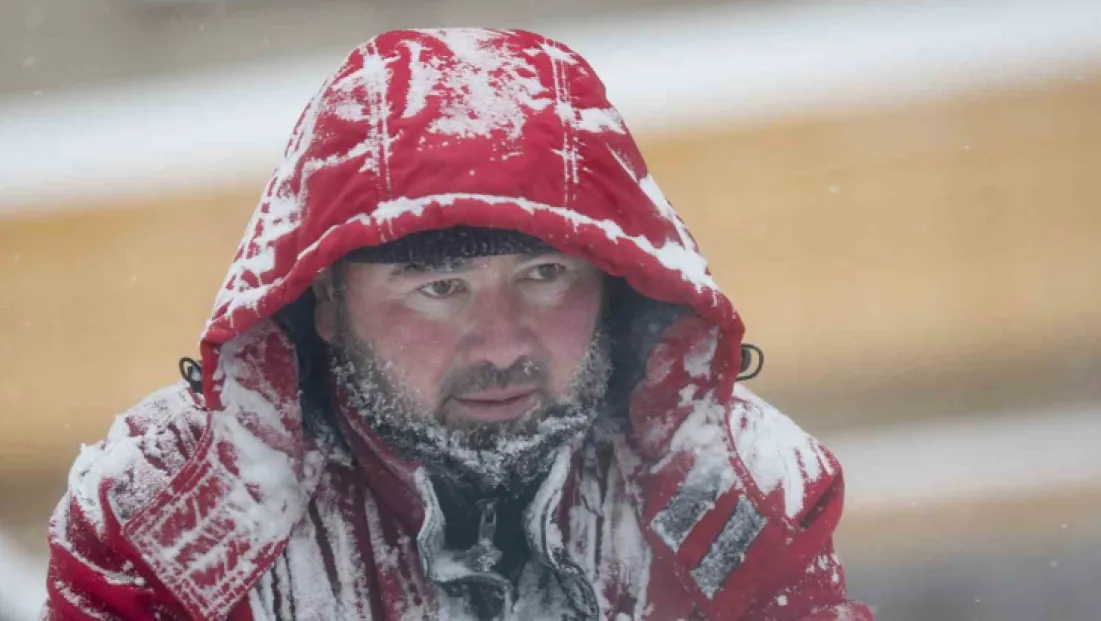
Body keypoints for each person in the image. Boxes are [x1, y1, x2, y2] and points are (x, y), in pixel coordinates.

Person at [43, 28, 873, 621]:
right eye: (438, 287)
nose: (504, 341)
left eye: (544, 276)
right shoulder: (165, 515)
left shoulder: (733, 488)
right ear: (323, 302)